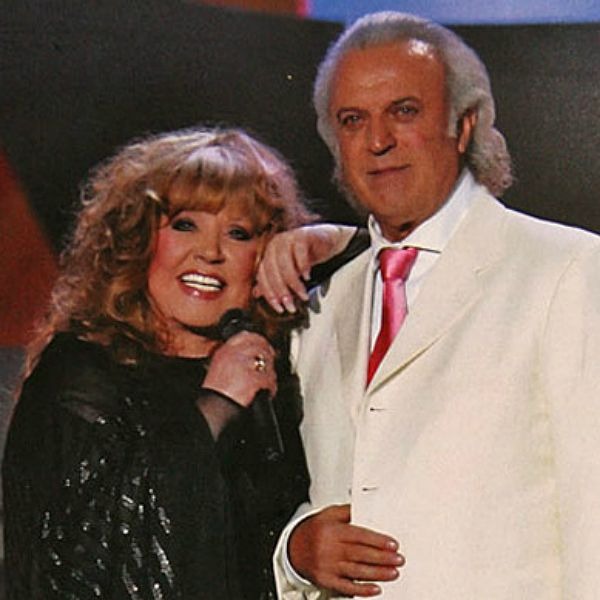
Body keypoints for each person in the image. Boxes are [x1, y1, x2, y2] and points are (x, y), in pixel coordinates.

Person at [255, 11, 600, 599]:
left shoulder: (566, 270)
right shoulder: (324, 303)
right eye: (353, 120)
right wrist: (294, 553)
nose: (378, 141)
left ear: (463, 125)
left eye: (404, 111)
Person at [2, 126, 316, 600]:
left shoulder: (276, 374)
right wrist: (215, 405)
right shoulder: (80, 374)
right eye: (185, 225)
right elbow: (83, 560)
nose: (209, 253)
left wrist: (323, 241)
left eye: (238, 233)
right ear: (139, 238)